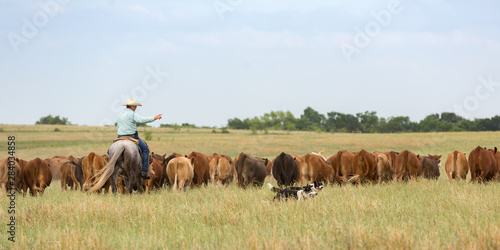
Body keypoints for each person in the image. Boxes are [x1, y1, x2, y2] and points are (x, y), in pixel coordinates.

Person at [116, 98, 162, 179]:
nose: (136, 108)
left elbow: (118, 126)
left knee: (110, 151)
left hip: (120, 137)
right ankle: (144, 171)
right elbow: (141, 119)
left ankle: (115, 169)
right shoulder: (133, 114)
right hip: (131, 136)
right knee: (145, 150)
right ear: (132, 107)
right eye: (136, 107)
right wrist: (154, 118)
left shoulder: (119, 114)